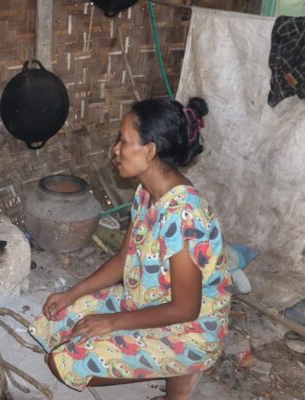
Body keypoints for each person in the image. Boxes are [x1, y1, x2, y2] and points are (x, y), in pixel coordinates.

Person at [29, 97, 231, 400]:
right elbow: (124, 258)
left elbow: (186, 308)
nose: (116, 149)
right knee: (53, 320)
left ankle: (183, 368)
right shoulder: (146, 192)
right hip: (145, 300)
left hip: (188, 328)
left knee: (64, 362)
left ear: (149, 151)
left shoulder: (185, 215)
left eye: (124, 141)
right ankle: (163, 364)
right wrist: (72, 293)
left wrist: (111, 322)